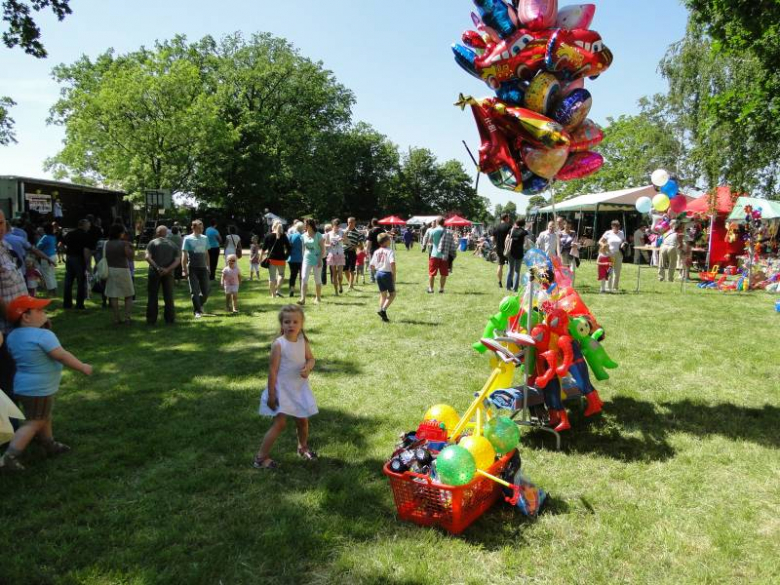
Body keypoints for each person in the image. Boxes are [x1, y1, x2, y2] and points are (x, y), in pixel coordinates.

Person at [0, 296, 92, 471]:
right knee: (35, 421)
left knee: (42, 416)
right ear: (26, 317)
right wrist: (82, 367)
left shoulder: (12, 336)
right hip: (39, 388)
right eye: (39, 310)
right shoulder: (44, 335)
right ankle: (9, 458)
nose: (44, 313)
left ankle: (49, 444)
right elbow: (61, 355)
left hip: (22, 386)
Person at [254, 304, 318, 470]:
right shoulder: (279, 344)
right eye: (287, 322)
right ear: (281, 324)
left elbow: (311, 359)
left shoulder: (302, 341)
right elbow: (272, 371)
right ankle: (261, 458)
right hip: (282, 390)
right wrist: (271, 394)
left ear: (301, 324)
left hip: (298, 388)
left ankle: (302, 447)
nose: (291, 325)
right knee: (280, 424)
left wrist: (308, 368)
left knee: (303, 421)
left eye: (295, 322)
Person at [145, 225, 180, 325]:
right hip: (169, 274)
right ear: (166, 233)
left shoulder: (152, 243)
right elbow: (177, 260)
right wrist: (168, 269)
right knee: (168, 296)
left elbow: (147, 257)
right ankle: (170, 319)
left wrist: (157, 268)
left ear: (157, 233)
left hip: (154, 273)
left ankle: (151, 320)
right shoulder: (173, 244)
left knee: (152, 296)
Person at [104, 223, 135, 325]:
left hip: (111, 270)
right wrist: (132, 248)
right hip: (123, 270)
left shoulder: (106, 243)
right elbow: (130, 257)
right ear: (120, 233)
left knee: (113, 295)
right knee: (128, 295)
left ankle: (116, 318)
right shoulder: (124, 244)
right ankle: (127, 318)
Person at [182, 219, 211, 318]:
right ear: (193, 228)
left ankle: (200, 304)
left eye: (202, 228)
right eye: (199, 228)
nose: (201, 230)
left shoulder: (205, 238)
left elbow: (207, 254)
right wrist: (184, 269)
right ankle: (197, 311)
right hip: (192, 268)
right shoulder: (187, 239)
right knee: (194, 291)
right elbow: (184, 255)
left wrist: (208, 266)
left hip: (203, 268)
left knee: (206, 291)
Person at [62, 219, 93, 310]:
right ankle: (79, 305)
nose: (89, 227)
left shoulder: (70, 234)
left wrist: (65, 253)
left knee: (68, 282)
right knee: (81, 282)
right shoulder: (86, 235)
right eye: (88, 225)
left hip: (69, 258)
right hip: (79, 259)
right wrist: (88, 264)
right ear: (83, 225)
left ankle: (67, 304)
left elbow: (61, 244)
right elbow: (86, 250)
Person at [370, 233, 397, 322]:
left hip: (378, 273)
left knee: (383, 295)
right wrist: (394, 275)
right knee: (392, 294)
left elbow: (372, 265)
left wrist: (374, 275)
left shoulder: (376, 251)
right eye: (389, 239)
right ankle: (383, 310)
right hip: (386, 274)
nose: (390, 240)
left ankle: (383, 316)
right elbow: (392, 263)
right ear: (386, 241)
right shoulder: (389, 251)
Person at [261, 220, 291, 299]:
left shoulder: (268, 236)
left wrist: (260, 257)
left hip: (272, 259)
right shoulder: (283, 236)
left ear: (273, 226)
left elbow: (264, 248)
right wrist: (286, 256)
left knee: (272, 277)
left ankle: (273, 295)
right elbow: (289, 247)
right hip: (281, 259)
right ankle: (278, 290)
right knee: (281, 274)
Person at [299, 219, 325, 306]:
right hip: (307, 259)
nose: (304, 226)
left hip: (317, 259)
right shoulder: (303, 236)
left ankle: (318, 297)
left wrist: (320, 259)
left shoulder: (318, 235)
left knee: (317, 279)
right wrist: (303, 258)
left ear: (310, 225)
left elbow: (322, 249)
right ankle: (302, 299)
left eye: (306, 224)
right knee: (303, 278)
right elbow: (303, 249)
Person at [600, 220, 627, 292]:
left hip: (619, 254)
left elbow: (623, 241)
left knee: (617, 272)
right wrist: (604, 246)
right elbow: (600, 241)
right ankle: (607, 287)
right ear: (612, 226)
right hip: (610, 253)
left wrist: (624, 243)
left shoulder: (621, 233)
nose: (616, 227)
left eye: (618, 226)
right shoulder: (608, 233)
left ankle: (615, 288)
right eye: (615, 226)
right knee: (609, 271)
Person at [427, 217, 450, 294]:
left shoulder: (433, 231)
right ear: (444, 223)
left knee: (432, 273)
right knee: (443, 273)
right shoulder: (447, 232)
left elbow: (430, 241)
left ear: (437, 222)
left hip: (434, 254)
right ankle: (441, 289)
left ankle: (431, 289)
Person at [505, 218, 528, 292]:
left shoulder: (511, 230)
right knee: (517, 271)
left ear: (516, 222)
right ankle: (515, 288)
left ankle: (508, 287)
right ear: (523, 224)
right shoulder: (524, 232)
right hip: (519, 252)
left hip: (511, 251)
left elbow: (506, 239)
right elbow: (526, 243)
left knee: (510, 269)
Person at [36, 224, 58, 296]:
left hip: (47, 257)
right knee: (51, 273)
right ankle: (54, 290)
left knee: (47, 274)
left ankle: (51, 291)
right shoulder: (53, 237)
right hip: (54, 256)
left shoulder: (45, 237)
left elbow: (38, 246)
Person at [325, 218, 345, 296]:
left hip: (340, 254)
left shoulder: (342, 232)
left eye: (338, 226)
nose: (337, 228)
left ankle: (340, 284)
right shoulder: (328, 234)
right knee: (334, 274)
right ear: (332, 226)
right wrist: (330, 244)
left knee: (340, 275)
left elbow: (346, 241)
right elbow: (325, 244)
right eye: (335, 226)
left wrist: (342, 239)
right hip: (332, 254)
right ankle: (336, 291)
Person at [492, 214, 512, 288]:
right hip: (508, 249)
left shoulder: (496, 227)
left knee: (500, 265)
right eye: (508, 218)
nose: (509, 219)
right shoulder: (509, 226)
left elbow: (492, 239)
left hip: (499, 249)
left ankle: (500, 282)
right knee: (510, 266)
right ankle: (510, 282)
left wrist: (495, 245)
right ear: (506, 218)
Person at [343, 217, 363, 291]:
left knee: (351, 269)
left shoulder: (358, 233)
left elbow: (361, 246)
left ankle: (350, 285)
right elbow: (341, 239)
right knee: (345, 269)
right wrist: (345, 232)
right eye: (349, 222)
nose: (350, 224)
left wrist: (355, 246)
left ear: (355, 223)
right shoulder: (344, 231)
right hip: (344, 252)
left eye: (352, 222)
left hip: (352, 252)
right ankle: (350, 283)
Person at [287, 221, 304, 298]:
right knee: (302, 276)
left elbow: (288, 247)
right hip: (301, 259)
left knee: (293, 275)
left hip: (292, 258)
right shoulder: (304, 236)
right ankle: (302, 290)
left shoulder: (291, 236)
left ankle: (291, 290)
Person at [366, 219, 385, 283]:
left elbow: (369, 242)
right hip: (381, 249)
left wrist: (367, 249)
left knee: (372, 264)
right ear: (378, 223)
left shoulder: (371, 231)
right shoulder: (382, 230)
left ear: (372, 223)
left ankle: (372, 278)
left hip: (373, 249)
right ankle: (379, 278)